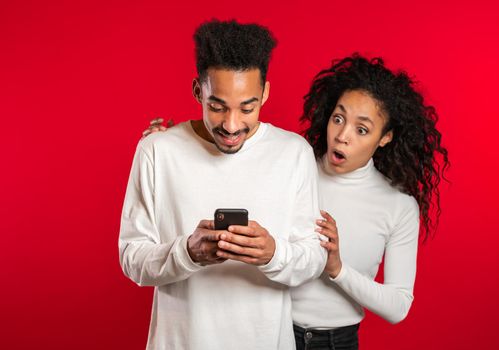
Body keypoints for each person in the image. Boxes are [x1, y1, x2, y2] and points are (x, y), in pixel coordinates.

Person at [145, 53, 449, 350]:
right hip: (275, 332)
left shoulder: (398, 206)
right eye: (338, 118)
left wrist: (337, 268)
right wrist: (184, 145)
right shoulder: (289, 164)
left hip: (336, 340)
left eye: (362, 129)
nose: (342, 136)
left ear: (385, 137)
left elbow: (398, 306)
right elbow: (227, 173)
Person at [119, 19, 326, 350]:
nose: (231, 125)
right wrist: (188, 252)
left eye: (248, 108)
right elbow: (131, 259)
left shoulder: (294, 153)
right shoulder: (157, 151)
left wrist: (274, 254)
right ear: (197, 91)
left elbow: (314, 259)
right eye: (217, 106)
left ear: (265, 93)